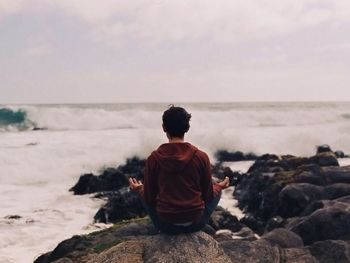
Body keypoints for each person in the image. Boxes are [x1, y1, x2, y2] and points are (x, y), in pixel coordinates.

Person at [129, 105, 229, 234]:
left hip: (165, 225)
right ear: (187, 128)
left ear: (164, 127)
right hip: (196, 223)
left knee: (144, 193)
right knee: (217, 189)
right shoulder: (201, 156)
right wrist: (219, 187)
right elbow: (208, 195)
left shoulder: (153, 159)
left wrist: (139, 189)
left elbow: (149, 198)